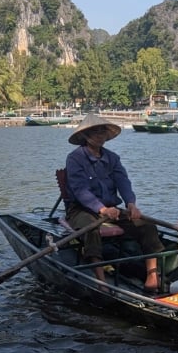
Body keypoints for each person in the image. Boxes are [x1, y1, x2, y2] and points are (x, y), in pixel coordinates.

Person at [64, 113, 165, 291]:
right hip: (81, 210)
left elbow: (123, 182)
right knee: (92, 229)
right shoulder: (75, 158)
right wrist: (101, 209)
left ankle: (152, 275)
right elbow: (80, 190)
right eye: (95, 132)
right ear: (85, 136)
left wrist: (131, 204)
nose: (99, 136)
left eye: (102, 131)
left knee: (146, 225)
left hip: (112, 210)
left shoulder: (112, 158)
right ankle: (100, 279)